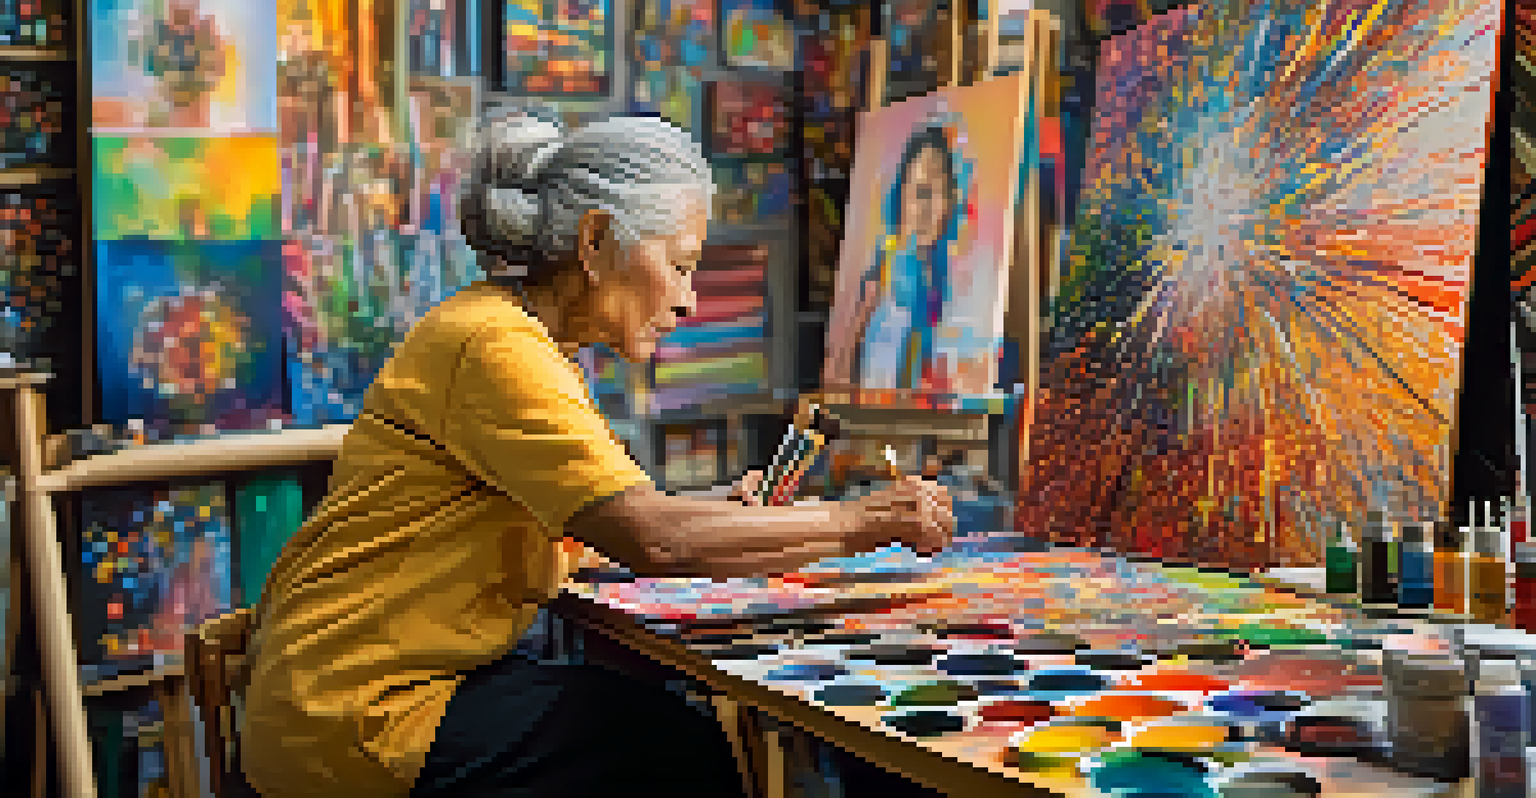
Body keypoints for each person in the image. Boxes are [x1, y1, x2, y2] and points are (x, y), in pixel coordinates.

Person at [240, 112, 956, 798]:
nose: (687, 300)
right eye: (678, 266)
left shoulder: (515, 339)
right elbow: (652, 539)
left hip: (366, 684)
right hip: (359, 708)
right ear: (594, 241)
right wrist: (862, 522)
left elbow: (599, 524)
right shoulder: (499, 349)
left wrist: (717, 512)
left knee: (650, 727)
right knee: (673, 750)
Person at [843, 123, 962, 391]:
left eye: (935, 194)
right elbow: (848, 372)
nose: (923, 209)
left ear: (950, 201)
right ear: (901, 196)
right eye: (917, 192)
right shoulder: (877, 284)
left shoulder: (951, 286)